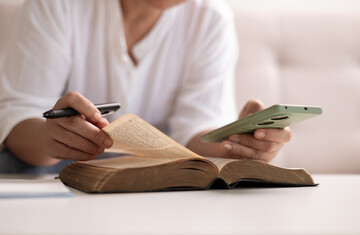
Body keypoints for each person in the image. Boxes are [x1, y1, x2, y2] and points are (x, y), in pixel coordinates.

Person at [0, 0, 291, 173]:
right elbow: (17, 115)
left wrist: (239, 144)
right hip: (52, 177)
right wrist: (50, 140)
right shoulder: (56, 6)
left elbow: (197, 129)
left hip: (157, 187)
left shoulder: (210, 18)